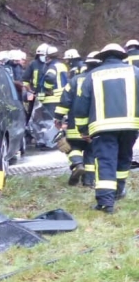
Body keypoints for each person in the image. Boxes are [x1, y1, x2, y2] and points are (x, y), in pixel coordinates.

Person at [73, 43, 139, 213]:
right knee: (124, 158)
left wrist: (82, 129)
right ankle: (118, 191)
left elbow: (81, 104)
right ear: (122, 56)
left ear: (102, 57)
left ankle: (105, 203)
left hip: (102, 129)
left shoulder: (92, 75)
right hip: (131, 126)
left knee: (106, 162)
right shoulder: (135, 72)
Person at [54, 51, 99, 186]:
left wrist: (58, 117)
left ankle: (77, 164)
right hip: (95, 124)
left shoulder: (75, 80)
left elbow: (65, 100)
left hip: (75, 123)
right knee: (91, 152)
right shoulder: (102, 79)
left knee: (73, 146)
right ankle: (88, 181)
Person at [38, 45, 68, 118]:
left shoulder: (52, 66)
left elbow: (50, 77)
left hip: (51, 100)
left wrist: (47, 88)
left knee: (50, 122)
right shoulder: (62, 65)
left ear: (47, 56)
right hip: (62, 99)